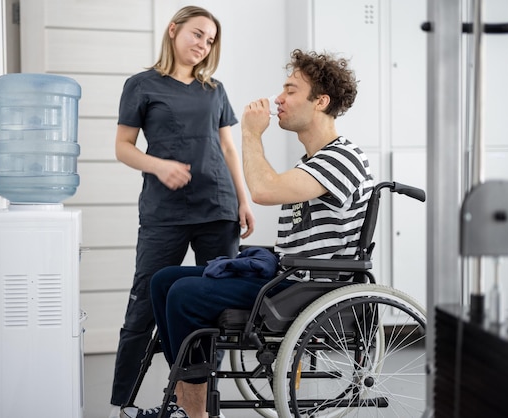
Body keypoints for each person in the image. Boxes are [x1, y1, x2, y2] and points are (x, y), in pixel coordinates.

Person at [128, 49, 374, 418]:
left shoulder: (342, 157)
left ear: (321, 101)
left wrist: (249, 132)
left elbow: (264, 190)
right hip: (288, 277)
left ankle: (195, 413)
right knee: (164, 280)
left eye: (290, 90)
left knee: (183, 294)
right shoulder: (315, 161)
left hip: (308, 286)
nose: (278, 99)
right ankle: (186, 402)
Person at [108, 6, 255, 418]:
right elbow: (122, 147)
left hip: (218, 209)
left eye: (209, 40)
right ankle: (125, 403)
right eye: (197, 34)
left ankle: (203, 404)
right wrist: (158, 165)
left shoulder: (215, 90)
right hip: (164, 213)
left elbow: (228, 148)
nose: (202, 45)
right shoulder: (141, 85)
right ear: (173, 31)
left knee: (216, 307)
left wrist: (243, 199)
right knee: (143, 305)